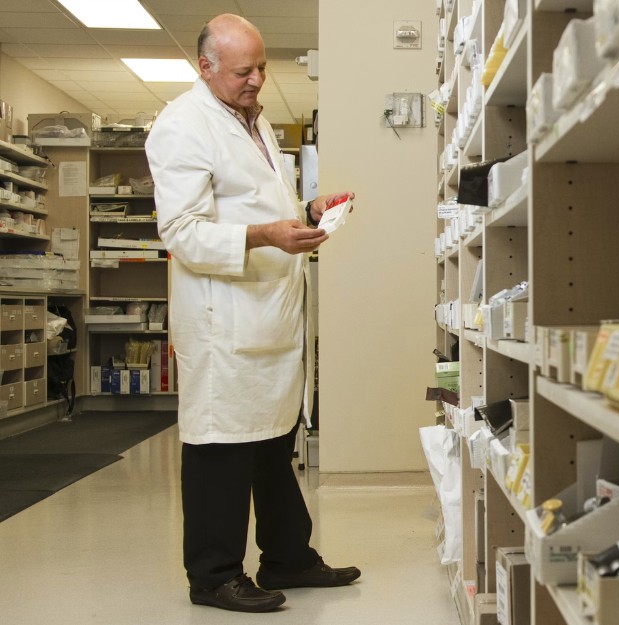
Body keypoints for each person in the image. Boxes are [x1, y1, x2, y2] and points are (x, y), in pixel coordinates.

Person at [146, 13, 359, 613]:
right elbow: (183, 232)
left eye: (262, 67)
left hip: (267, 312)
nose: (257, 80)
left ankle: (288, 556)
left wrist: (307, 209)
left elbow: (256, 200)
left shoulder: (250, 118)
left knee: (271, 441)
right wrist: (268, 235)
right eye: (244, 70)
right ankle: (213, 575)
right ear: (205, 67)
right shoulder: (182, 126)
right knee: (221, 446)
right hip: (224, 319)